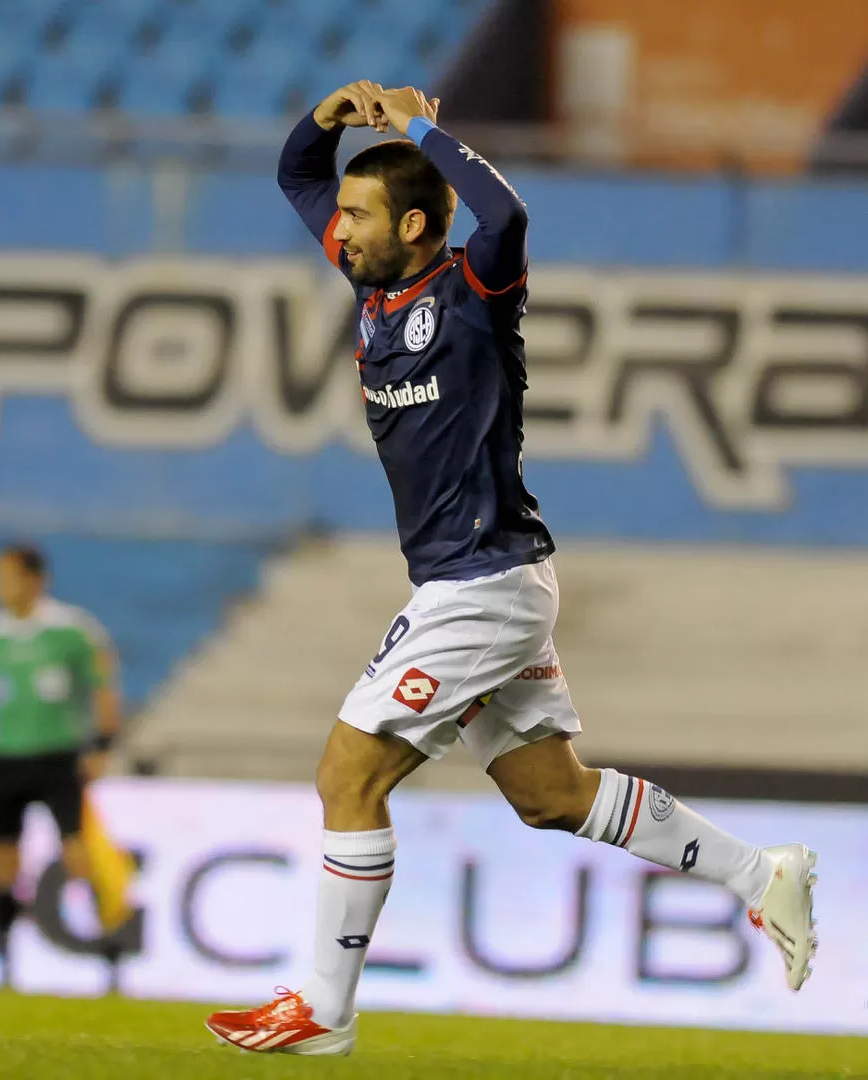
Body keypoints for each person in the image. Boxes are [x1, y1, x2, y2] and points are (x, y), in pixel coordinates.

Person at [205, 82, 818, 1056]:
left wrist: (417, 125)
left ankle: (325, 1007)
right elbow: (296, 173)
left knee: (347, 772)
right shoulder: (376, 285)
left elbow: (507, 211)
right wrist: (328, 119)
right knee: (550, 796)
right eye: (344, 217)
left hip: (479, 586)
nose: (340, 231)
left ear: (414, 224)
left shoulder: (474, 287)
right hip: (480, 581)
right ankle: (761, 874)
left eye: (360, 217)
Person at [0, 542, 133, 965]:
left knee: (75, 847)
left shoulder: (71, 629)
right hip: (4, 757)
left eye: (7, 577)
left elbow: (102, 686)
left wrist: (102, 744)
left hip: (57, 755)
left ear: (36, 580)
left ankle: (106, 933)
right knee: (3, 848)